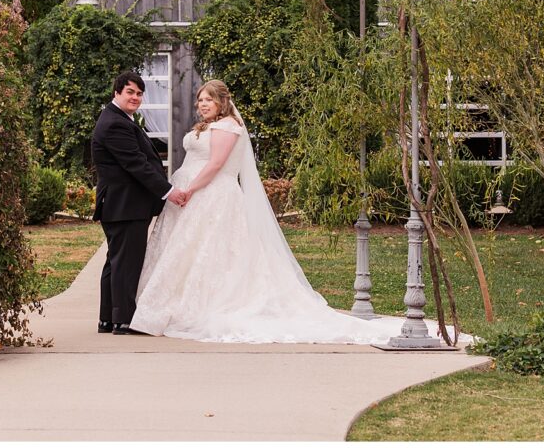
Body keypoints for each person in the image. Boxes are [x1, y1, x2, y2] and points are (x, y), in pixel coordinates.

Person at [130, 80, 457, 345]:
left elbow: (216, 165)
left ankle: (198, 305)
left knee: (211, 252)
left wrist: (189, 189)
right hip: (192, 197)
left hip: (211, 195)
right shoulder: (208, 125)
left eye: (208, 100)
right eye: (200, 100)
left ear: (222, 103)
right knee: (188, 252)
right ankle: (167, 305)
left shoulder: (228, 127)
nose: (202, 104)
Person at [91, 71, 187, 335]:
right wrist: (168, 191)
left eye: (139, 93)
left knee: (116, 261)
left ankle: (108, 319)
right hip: (125, 205)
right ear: (117, 93)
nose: (136, 97)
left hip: (122, 204)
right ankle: (123, 321)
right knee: (125, 263)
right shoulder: (115, 123)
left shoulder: (120, 119)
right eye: (130, 92)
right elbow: (136, 164)